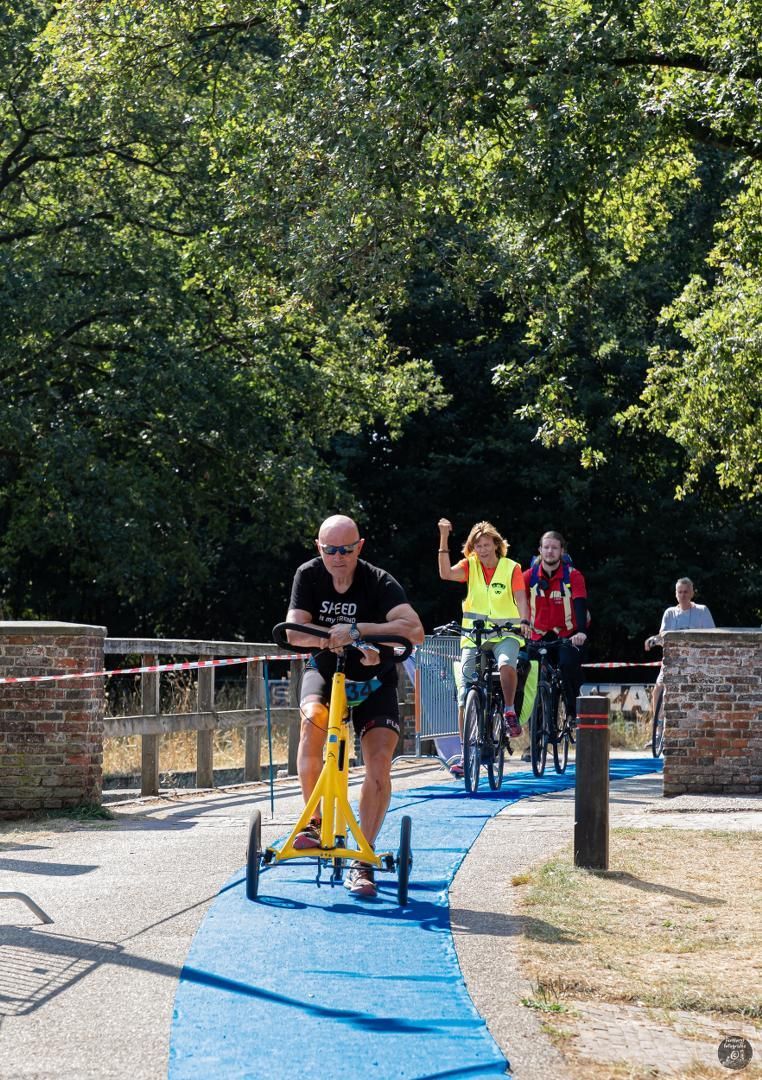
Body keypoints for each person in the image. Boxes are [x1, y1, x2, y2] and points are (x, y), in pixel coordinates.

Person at [285, 514, 424, 898]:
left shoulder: (379, 581)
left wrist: (361, 631)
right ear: (319, 548)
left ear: (359, 547)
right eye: (330, 549)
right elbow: (294, 630)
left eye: (346, 549)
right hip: (327, 671)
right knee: (312, 719)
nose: (338, 557)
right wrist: (331, 641)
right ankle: (314, 823)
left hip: (375, 679)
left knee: (378, 761)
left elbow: (414, 631)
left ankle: (364, 854)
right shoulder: (308, 575)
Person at [437, 518, 530, 776]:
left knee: (505, 665)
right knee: (464, 693)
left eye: (487, 545)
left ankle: (509, 709)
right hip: (474, 637)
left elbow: (521, 597)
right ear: (472, 548)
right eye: (478, 546)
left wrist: (524, 620)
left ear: (496, 545)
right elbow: (446, 574)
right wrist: (443, 536)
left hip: (506, 635)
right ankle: (466, 754)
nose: (483, 550)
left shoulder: (511, 567)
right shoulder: (471, 566)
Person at [523, 531, 589, 729]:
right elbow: (518, 603)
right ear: (540, 550)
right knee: (527, 675)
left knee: (568, 665)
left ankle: (572, 711)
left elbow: (580, 603)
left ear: (561, 551)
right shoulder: (528, 577)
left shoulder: (573, 576)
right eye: (546, 547)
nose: (550, 551)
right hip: (537, 635)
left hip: (566, 634)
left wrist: (581, 632)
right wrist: (522, 624)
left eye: (554, 548)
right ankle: (534, 731)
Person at [645, 577, 715, 720]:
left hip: (696, 662)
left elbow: (712, 637)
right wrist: (651, 640)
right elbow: (662, 637)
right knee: (658, 689)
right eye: (680, 592)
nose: (683, 595)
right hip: (672, 662)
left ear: (692, 593)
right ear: (676, 594)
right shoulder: (669, 613)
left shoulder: (702, 611)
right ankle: (658, 729)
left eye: (686, 592)